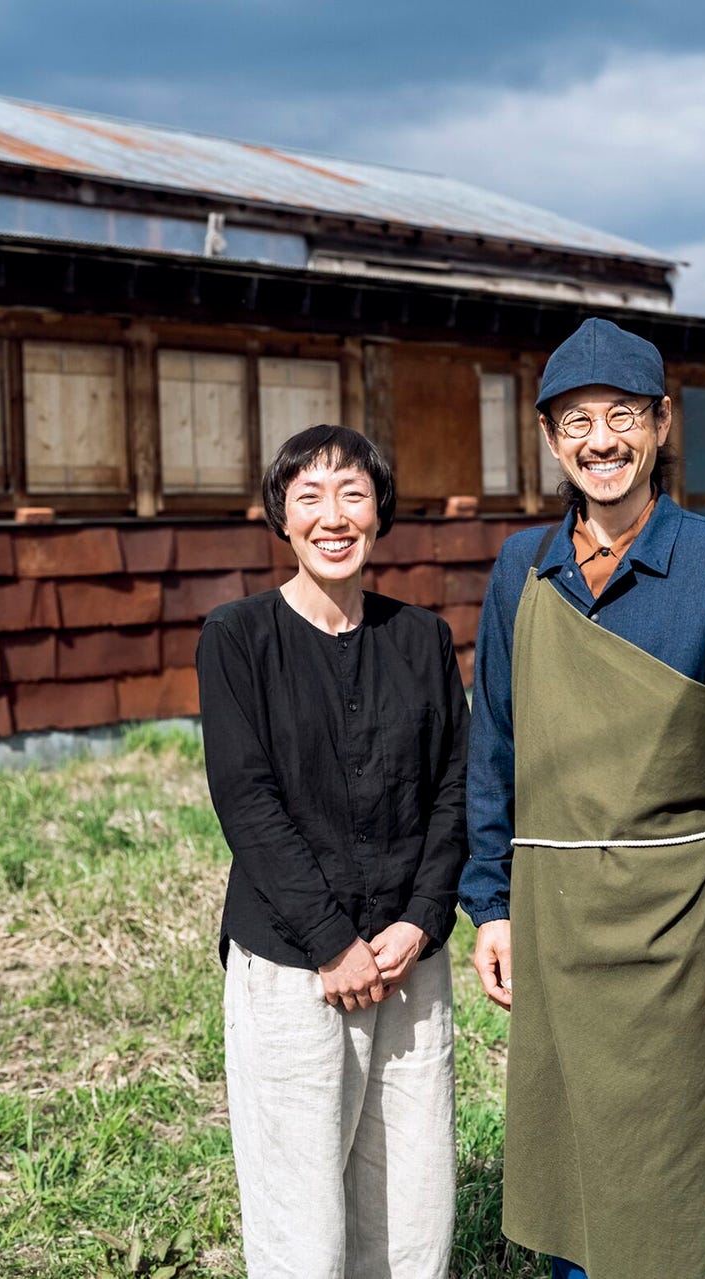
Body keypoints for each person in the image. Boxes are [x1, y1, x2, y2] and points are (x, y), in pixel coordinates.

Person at [459, 318, 705, 1279]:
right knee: (580, 1173)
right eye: (577, 420)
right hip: (557, 923)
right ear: (549, 439)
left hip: (683, 926)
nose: (601, 440)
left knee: (686, 1175)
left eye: (622, 416)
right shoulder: (521, 570)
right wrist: (488, 903)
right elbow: (491, 741)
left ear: (661, 425)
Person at [197, 424, 469, 1279]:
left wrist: (421, 922)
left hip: (407, 963)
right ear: (281, 514)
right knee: (303, 1223)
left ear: (379, 511)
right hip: (294, 968)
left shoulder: (421, 639)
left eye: (352, 493)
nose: (333, 515)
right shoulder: (238, 637)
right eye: (309, 496)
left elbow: (456, 790)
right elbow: (248, 801)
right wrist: (333, 942)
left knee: (413, 1211)